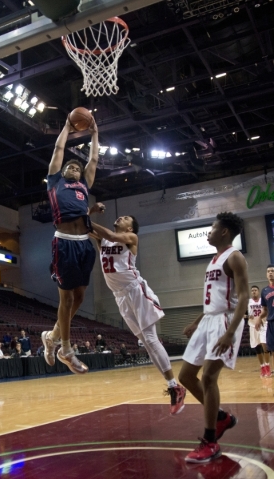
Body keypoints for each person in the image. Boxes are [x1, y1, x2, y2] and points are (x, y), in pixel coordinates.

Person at [90, 212, 186, 415]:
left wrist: (91, 219)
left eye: (125, 218)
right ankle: (173, 387)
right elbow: (83, 226)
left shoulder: (131, 238)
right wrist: (87, 212)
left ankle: (173, 386)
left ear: (130, 228)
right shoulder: (104, 240)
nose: (120, 217)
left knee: (151, 339)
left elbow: (112, 236)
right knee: (145, 342)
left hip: (136, 290)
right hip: (120, 296)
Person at [178, 212, 249, 463]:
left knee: (208, 377)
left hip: (225, 321)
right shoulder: (214, 258)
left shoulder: (235, 257)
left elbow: (243, 298)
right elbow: (214, 296)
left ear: (224, 232)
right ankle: (221, 417)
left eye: (212, 228)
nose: (208, 232)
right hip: (208, 320)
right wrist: (197, 322)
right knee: (185, 376)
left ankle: (210, 442)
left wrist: (230, 333)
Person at [41, 114, 100, 375]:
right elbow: (59, 149)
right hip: (64, 243)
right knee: (65, 299)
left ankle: (52, 336)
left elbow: (94, 159)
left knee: (80, 297)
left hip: (84, 243)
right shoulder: (55, 181)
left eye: (77, 168)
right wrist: (66, 126)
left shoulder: (84, 185)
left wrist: (95, 134)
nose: (74, 169)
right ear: (63, 171)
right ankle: (65, 349)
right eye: (71, 167)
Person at [247, 285, 270, 377]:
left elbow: (267, 311)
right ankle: (262, 367)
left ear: (258, 291)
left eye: (255, 290)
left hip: (263, 325)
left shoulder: (263, 300)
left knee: (265, 345)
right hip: (253, 327)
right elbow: (243, 314)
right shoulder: (248, 302)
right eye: (252, 290)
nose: (253, 291)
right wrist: (247, 316)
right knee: (257, 348)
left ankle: (268, 367)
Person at [256, 266, 274, 361]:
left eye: (272, 271)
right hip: (271, 322)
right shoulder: (264, 291)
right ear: (266, 274)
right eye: (268, 271)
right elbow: (265, 310)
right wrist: (259, 318)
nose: (270, 273)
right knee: (272, 349)